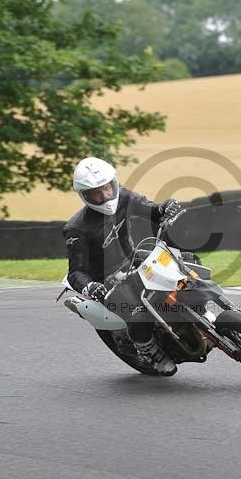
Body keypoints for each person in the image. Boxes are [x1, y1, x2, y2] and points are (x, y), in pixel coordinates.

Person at [63, 157, 184, 375]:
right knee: (137, 313)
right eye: (96, 193)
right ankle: (149, 350)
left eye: (107, 188)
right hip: (105, 281)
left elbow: (152, 210)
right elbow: (75, 272)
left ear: (114, 183)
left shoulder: (125, 197)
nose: (104, 196)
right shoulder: (76, 228)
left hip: (133, 259)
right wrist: (90, 287)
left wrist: (165, 207)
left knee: (182, 264)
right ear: (84, 196)